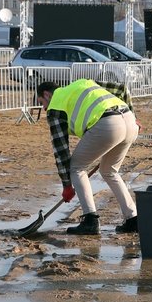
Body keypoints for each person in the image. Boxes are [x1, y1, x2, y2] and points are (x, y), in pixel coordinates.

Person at [36, 78, 140, 236]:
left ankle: (90, 220)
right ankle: (133, 219)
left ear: (47, 94)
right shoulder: (82, 83)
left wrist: (67, 186)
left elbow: (61, 151)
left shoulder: (55, 106)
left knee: (76, 168)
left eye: (41, 102)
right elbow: (122, 89)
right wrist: (133, 115)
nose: (44, 108)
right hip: (130, 122)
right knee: (109, 171)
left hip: (108, 124)